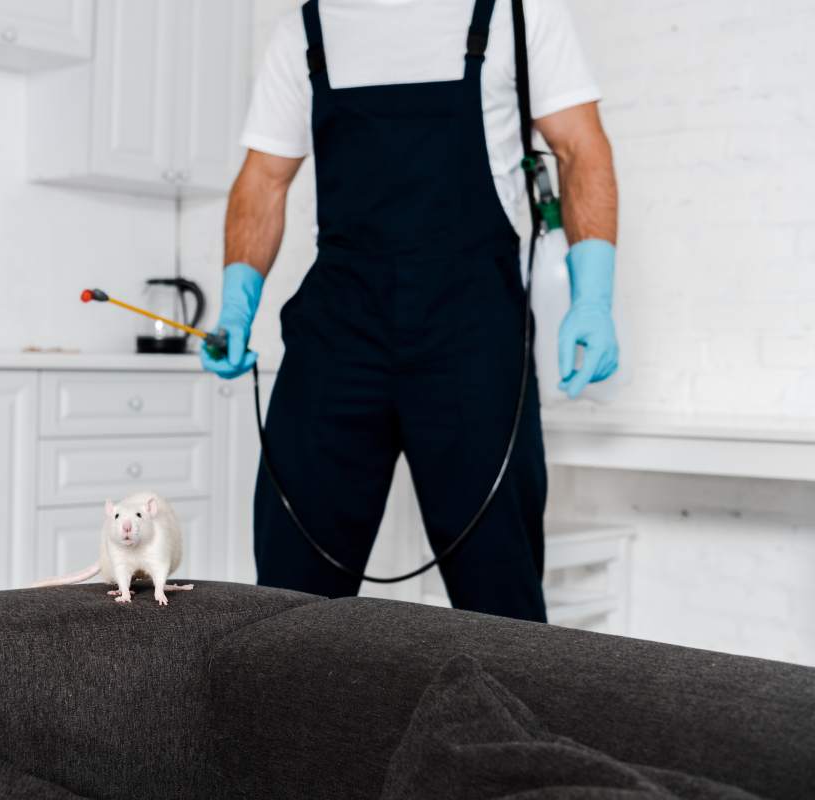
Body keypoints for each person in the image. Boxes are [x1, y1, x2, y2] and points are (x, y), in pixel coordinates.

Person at [200, 0, 619, 622]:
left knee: (499, 597)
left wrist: (593, 298)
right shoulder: (305, 30)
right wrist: (238, 301)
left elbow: (581, 148)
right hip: (337, 338)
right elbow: (265, 176)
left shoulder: (516, 17)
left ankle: (507, 724)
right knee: (288, 598)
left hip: (473, 340)